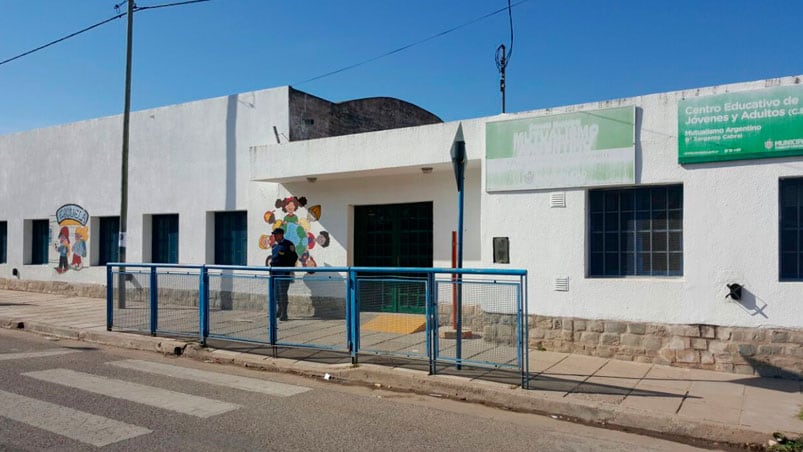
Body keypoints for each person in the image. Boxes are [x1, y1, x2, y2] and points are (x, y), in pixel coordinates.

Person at [266, 228, 298, 321]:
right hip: (274, 273)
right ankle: (279, 311)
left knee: (283, 293)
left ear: (281, 235)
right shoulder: (275, 246)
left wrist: (288, 268)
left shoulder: (288, 244)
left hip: (283, 273)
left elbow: (294, 257)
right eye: (274, 235)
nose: (274, 236)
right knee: (276, 293)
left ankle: (284, 313)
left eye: (276, 235)